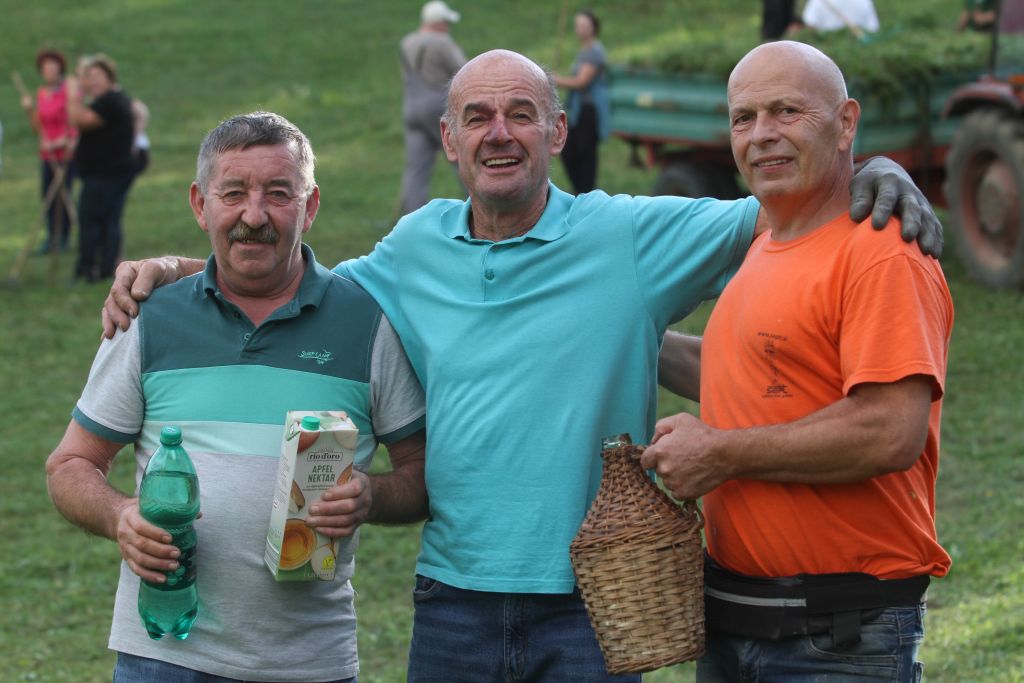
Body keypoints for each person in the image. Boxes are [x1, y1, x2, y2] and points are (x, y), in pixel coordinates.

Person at [102, 50, 943, 682]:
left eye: (520, 113)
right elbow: (292, 283)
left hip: (597, 597)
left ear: (558, 131)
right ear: (449, 139)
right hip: (452, 598)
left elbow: (787, 197)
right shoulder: (413, 246)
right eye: (476, 117)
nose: (497, 133)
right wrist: (175, 271)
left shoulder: (631, 235)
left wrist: (874, 169)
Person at [46, 111, 427, 682]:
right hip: (165, 654)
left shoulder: (368, 324)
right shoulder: (148, 319)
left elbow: (422, 476)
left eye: (279, 194)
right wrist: (119, 514)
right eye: (234, 193)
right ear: (201, 205)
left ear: (310, 206)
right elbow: (70, 464)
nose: (254, 216)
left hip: (309, 662)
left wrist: (371, 495)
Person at [642, 41, 953, 681]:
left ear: (846, 124)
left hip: (838, 637)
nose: (762, 136)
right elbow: (752, 373)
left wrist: (721, 452)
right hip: (738, 623)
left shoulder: (881, 253)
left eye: (786, 111)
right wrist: (619, 339)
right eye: (743, 118)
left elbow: (890, 430)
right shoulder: (770, 239)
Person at [66, 54, 137, 282]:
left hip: (106, 175)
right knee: (107, 220)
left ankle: (89, 270)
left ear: (109, 77)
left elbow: (81, 120)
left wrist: (71, 95)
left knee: (92, 220)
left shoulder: (110, 102)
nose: (91, 82)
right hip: (109, 173)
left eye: (96, 77)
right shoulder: (111, 100)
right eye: (88, 77)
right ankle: (105, 267)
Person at [398, 0, 467, 215]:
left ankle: (411, 218)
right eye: (446, 22)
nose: (448, 26)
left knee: (416, 169)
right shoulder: (441, 42)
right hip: (437, 108)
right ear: (439, 22)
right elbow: (465, 70)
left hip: (411, 108)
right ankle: (482, 205)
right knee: (463, 157)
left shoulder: (406, 42)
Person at [21, 49, 78, 254]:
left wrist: (63, 140)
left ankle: (64, 237)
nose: (49, 71)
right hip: (47, 154)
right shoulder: (42, 94)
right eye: (45, 68)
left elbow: (74, 120)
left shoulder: (68, 92)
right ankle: (50, 237)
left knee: (64, 195)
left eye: (53, 68)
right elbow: (39, 126)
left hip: (65, 154)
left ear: (60, 69)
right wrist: (29, 110)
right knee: (47, 196)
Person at [553, 9, 610, 193]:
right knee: (569, 152)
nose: (579, 29)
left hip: (589, 110)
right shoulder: (584, 51)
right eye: (578, 25)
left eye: (583, 25)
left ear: (593, 28)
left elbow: (582, 82)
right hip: (579, 110)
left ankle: (585, 193)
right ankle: (580, 191)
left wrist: (556, 80)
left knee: (585, 154)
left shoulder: (594, 51)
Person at [802, 0, 879, 33]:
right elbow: (873, 28)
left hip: (826, 50)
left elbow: (810, 25)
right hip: (859, 52)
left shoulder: (818, 1)